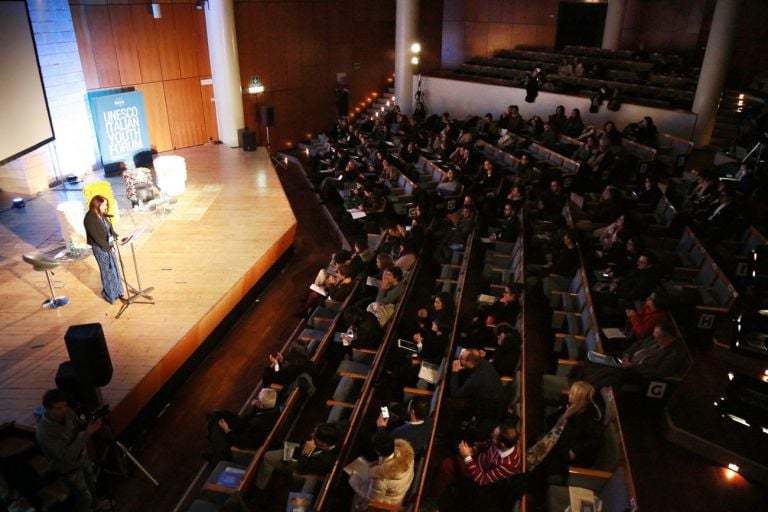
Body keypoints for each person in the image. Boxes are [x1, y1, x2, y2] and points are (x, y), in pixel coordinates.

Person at [35, 389, 109, 512]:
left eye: (65, 406)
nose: (64, 410)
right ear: (47, 409)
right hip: (68, 468)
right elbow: (65, 456)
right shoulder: (44, 432)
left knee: (92, 484)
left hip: (82, 457)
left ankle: (96, 505)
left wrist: (91, 417)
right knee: (84, 497)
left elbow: (80, 420)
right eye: (58, 408)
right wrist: (87, 434)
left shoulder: (68, 411)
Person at [532, 381, 604, 480]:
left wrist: (573, 451)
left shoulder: (588, 420)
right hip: (560, 443)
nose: (569, 394)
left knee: (539, 465)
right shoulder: (574, 405)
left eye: (572, 393)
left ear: (579, 398)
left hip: (569, 456)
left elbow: (594, 441)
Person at [254, 422, 339, 491]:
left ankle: (259, 487)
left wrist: (306, 451)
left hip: (299, 463)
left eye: (315, 435)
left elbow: (302, 468)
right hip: (300, 452)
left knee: (268, 457)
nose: (312, 435)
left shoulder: (324, 459)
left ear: (324, 443)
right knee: (274, 444)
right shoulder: (329, 439)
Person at [205, 388, 279, 463]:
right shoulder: (274, 409)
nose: (256, 399)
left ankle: (215, 455)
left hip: (246, 437)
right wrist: (255, 407)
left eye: (258, 398)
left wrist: (227, 429)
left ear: (261, 404)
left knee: (217, 430)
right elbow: (251, 417)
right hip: (247, 426)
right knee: (217, 414)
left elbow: (241, 442)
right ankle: (212, 435)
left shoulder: (257, 424)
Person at [349, 431, 415, 510]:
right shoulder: (407, 456)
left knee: (357, 501)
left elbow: (372, 498)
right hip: (400, 492)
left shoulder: (380, 478)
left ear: (378, 452)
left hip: (388, 504)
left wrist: (354, 479)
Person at [83, 195, 124, 304]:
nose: (106, 207)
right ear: (97, 204)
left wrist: (116, 236)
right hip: (101, 249)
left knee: (114, 268)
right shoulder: (89, 218)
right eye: (104, 205)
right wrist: (109, 248)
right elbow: (97, 238)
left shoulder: (100, 214)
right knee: (107, 271)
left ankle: (118, 291)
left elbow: (109, 228)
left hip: (109, 245)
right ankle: (110, 295)